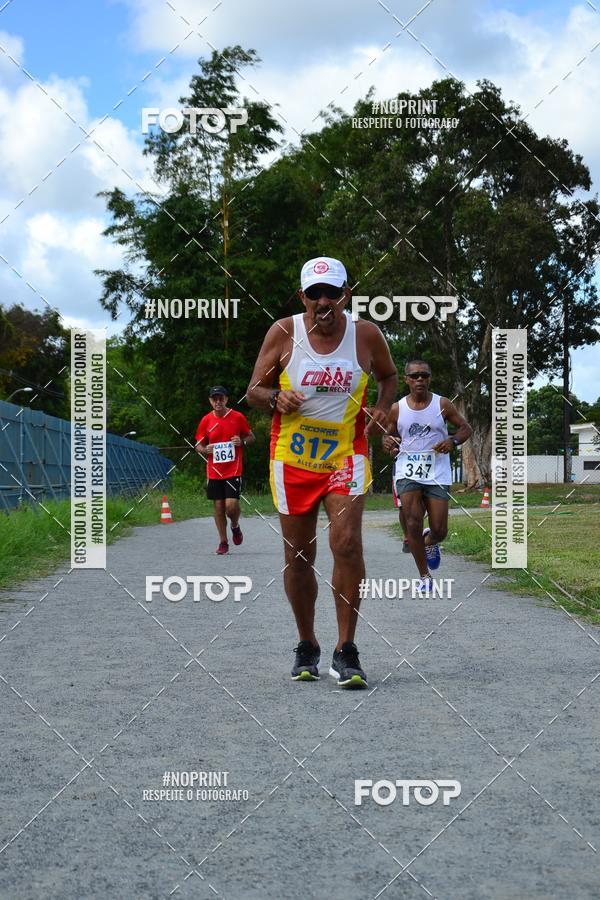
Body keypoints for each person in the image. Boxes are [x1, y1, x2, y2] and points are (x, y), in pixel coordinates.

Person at [247, 256, 397, 688]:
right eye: (315, 293)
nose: (324, 301)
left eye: (332, 292)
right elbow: (253, 390)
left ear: (346, 294)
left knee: (346, 543)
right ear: (302, 297)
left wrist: (382, 407)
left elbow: (388, 377)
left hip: (346, 455)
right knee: (298, 556)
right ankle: (307, 643)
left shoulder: (366, 335)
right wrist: (274, 398)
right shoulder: (283, 332)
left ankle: (346, 649)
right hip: (292, 459)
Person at [383, 360, 472, 593]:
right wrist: (389, 444)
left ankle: (430, 541)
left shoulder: (442, 404)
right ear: (407, 380)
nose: (420, 379)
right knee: (412, 521)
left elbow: (466, 428)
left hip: (437, 471)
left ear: (429, 378)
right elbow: (388, 437)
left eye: (424, 375)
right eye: (415, 376)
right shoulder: (397, 408)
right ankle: (424, 576)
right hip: (407, 470)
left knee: (440, 530)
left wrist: (452, 441)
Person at [195, 386, 255, 555]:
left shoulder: (237, 417)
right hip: (214, 471)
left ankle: (235, 526)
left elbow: (251, 437)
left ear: (226, 399)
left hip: (233, 470)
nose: (218, 402)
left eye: (221, 398)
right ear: (210, 401)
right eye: (214, 399)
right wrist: (205, 450)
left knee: (231, 506)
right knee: (219, 506)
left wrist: (241, 442)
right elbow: (198, 445)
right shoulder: (206, 420)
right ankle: (223, 541)